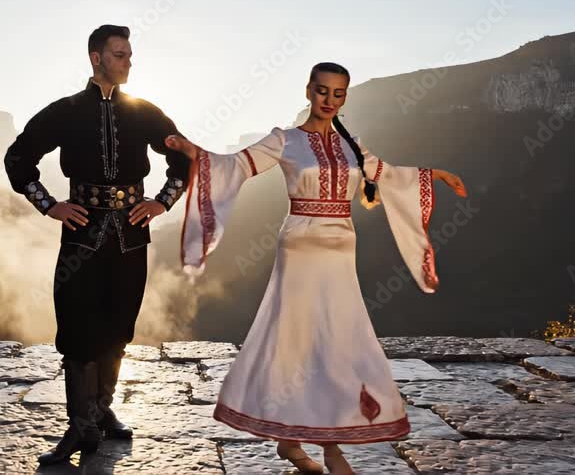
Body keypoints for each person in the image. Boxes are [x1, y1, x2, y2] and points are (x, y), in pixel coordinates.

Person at [165, 61, 466, 475]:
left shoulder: (351, 144)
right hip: (300, 246)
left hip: (342, 246)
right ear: (309, 90)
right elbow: (236, 165)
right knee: (302, 339)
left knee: (338, 340)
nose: (330, 100)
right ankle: (330, 449)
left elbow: (388, 174)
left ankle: (292, 441)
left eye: (339, 94)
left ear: (345, 97)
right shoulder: (284, 140)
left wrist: (435, 175)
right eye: (323, 91)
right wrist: (193, 152)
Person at [4, 24, 191, 465]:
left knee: (119, 325)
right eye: (120, 55)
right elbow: (18, 158)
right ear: (96, 58)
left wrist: (162, 202)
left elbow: (182, 156)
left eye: (129, 54)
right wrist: (49, 205)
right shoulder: (65, 112)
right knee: (76, 329)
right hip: (82, 235)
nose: (128, 62)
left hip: (130, 235)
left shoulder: (145, 112)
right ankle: (79, 429)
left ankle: (102, 410)